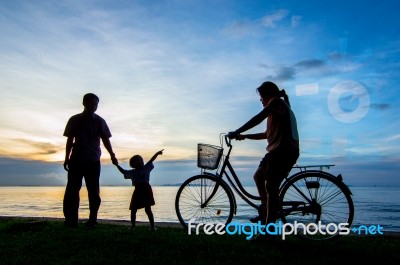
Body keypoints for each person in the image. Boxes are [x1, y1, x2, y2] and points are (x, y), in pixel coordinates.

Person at [228, 81, 300, 239]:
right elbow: (266, 134)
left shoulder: (276, 102)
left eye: (261, 97)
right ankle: (265, 209)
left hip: (284, 150)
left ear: (267, 95)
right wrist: (244, 136)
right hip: (275, 151)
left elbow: (258, 118)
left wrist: (237, 131)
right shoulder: (275, 109)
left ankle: (269, 229)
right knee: (258, 177)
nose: (260, 100)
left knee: (272, 186)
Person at [63, 93, 118, 227]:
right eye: (92, 103)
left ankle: (93, 219)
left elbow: (105, 140)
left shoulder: (99, 121)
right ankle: (71, 220)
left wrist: (112, 154)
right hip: (76, 159)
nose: (94, 106)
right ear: (84, 103)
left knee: (93, 191)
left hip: (93, 160)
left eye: (96, 104)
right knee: (72, 190)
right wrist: (67, 158)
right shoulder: (74, 120)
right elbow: (70, 140)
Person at [113, 149, 164, 231]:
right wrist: (117, 165)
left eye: (141, 160)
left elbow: (151, 160)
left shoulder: (146, 167)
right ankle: (133, 226)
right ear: (133, 164)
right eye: (139, 160)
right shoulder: (133, 172)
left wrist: (157, 154)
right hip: (138, 190)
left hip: (146, 190)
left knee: (148, 209)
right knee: (133, 209)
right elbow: (123, 172)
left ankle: (152, 227)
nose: (141, 161)